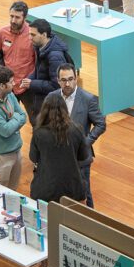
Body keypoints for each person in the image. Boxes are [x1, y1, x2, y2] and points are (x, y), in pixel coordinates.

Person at [44, 64, 105, 207]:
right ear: (58, 80)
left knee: (84, 193)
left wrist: (85, 142)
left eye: (71, 79)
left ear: (76, 79)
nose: (67, 83)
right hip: (57, 156)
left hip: (80, 158)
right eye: (63, 80)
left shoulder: (88, 99)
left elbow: (101, 124)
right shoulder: (51, 98)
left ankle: (90, 224)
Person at [28, 96, 91, 205]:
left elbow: (33, 157)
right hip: (73, 188)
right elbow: (83, 157)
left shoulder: (38, 132)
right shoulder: (76, 129)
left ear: (44, 110)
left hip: (45, 188)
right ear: (64, 109)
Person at [26, 18, 74, 119]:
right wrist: (30, 78)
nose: (30, 38)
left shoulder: (54, 56)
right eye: (29, 34)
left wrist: (32, 84)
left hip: (51, 106)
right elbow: (40, 70)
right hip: (43, 99)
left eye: (33, 35)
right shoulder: (41, 47)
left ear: (44, 35)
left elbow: (57, 85)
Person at [0, 0, 36, 104]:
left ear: (25, 17)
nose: (13, 20)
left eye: (17, 17)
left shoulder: (32, 34)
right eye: (11, 16)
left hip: (26, 85)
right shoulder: (2, 33)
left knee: (35, 119)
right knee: (8, 117)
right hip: (8, 85)